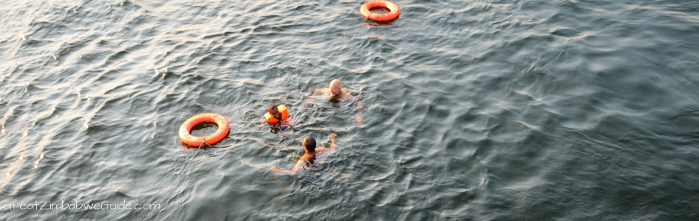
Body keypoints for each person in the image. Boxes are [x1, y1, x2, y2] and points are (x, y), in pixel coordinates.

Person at [271, 134, 337, 174]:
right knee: (330, 169)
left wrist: (277, 170)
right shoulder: (320, 149)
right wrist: (332, 139)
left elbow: (293, 172)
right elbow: (333, 150)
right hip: (323, 167)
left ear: (304, 147)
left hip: (313, 173)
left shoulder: (303, 159)